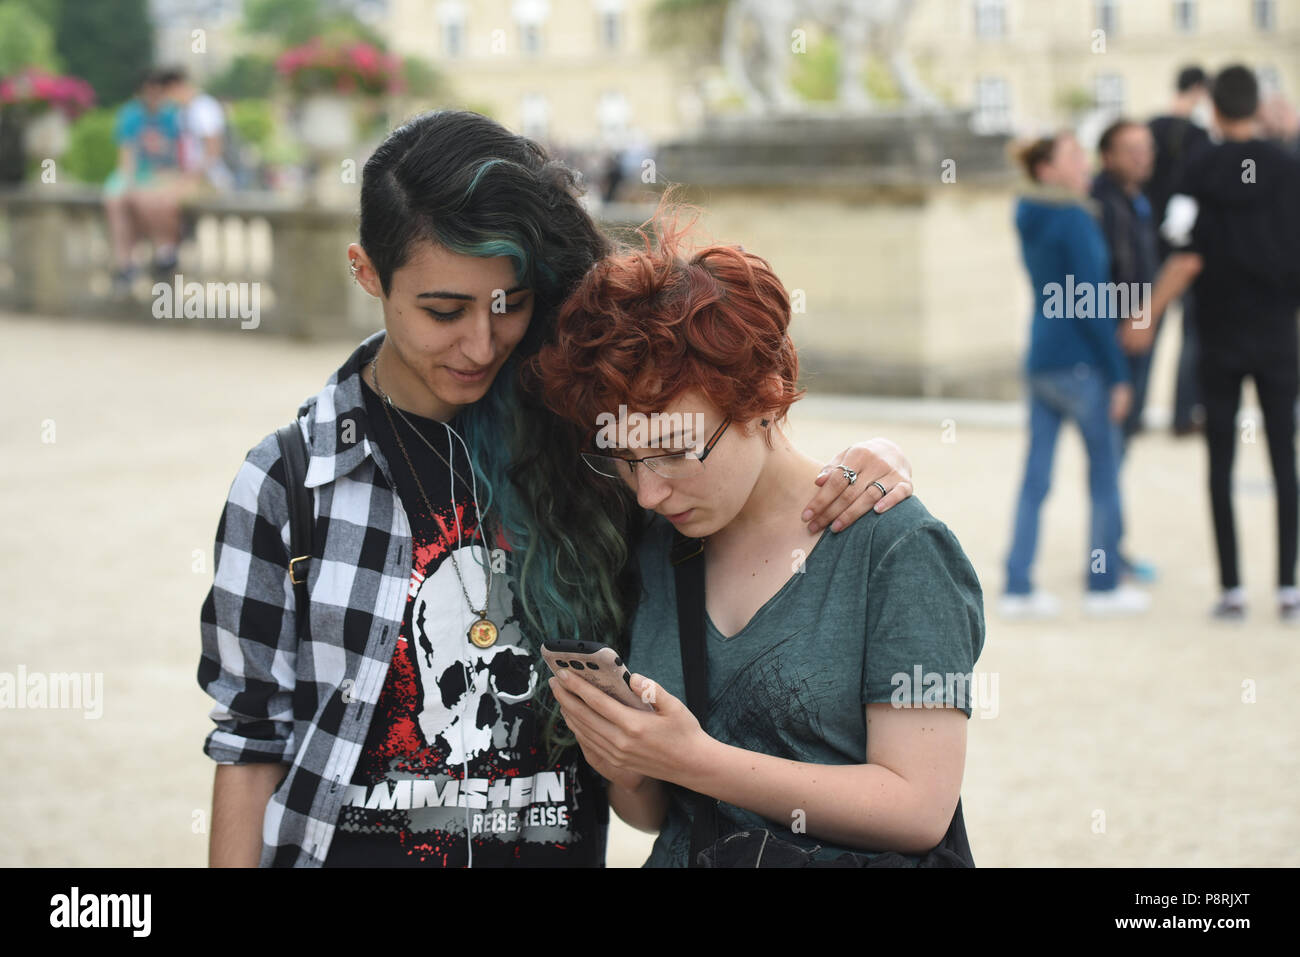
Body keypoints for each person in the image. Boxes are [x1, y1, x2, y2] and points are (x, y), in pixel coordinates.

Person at [197, 109, 919, 868]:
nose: (480, 343)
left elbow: (739, 455)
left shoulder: (600, 451)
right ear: (367, 271)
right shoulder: (290, 480)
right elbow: (250, 739)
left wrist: (876, 456)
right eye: (444, 310)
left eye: (508, 304)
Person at [531, 199, 984, 866]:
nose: (650, 492)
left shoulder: (896, 547)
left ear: (766, 394)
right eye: (626, 462)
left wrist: (698, 758)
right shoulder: (661, 542)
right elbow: (652, 812)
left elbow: (918, 807)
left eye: (676, 452)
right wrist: (625, 758)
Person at [1123, 66, 1300, 621]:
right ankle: (1288, 588)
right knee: (1283, 459)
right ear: (1256, 106)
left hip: (1219, 335)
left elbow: (1186, 253)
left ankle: (1231, 589)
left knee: (1220, 460)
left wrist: (1147, 314)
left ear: (1215, 111)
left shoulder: (1199, 167)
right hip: (1277, 335)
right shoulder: (1287, 168)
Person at [1000, 131, 1150, 619]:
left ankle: (1017, 585)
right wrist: (1119, 374)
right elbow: (1093, 305)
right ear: (1047, 169)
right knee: (1104, 475)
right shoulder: (1075, 219)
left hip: (1041, 356)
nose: (1084, 161)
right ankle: (1102, 585)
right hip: (1082, 364)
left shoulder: (1028, 214)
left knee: (1035, 480)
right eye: (1072, 155)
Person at [1148, 66, 1212, 436]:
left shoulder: (1150, 128)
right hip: (1186, 249)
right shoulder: (1200, 137)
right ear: (1200, 90)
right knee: (1191, 335)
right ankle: (1183, 415)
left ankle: (1134, 410)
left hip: (1149, 244)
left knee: (1146, 324)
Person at [103, 69, 184, 292]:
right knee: (115, 201)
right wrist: (129, 182)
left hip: (163, 174)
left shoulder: (172, 115)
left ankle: (163, 250)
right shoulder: (130, 115)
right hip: (138, 174)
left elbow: (177, 156)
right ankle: (125, 262)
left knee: (147, 200)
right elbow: (126, 156)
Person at [158, 66, 234, 196]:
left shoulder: (204, 108)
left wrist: (189, 178)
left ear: (174, 87)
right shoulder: (182, 112)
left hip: (212, 178)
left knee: (164, 198)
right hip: (192, 175)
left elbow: (213, 151)